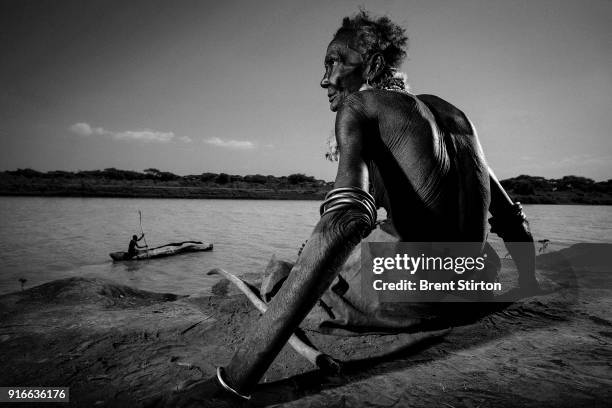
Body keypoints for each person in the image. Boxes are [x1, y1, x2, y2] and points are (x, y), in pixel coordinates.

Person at [167, 10, 540, 405]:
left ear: (374, 65)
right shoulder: (454, 114)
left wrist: (233, 384)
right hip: (474, 282)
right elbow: (510, 216)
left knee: (280, 276)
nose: (325, 79)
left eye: (335, 61)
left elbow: (347, 221)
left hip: (420, 291)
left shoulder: (361, 106)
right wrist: (526, 286)